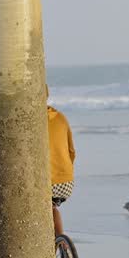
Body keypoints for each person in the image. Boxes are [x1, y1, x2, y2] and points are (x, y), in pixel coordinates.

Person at [46, 85, 76, 237]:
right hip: (66, 182)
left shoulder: (29, 122)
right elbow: (72, 151)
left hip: (48, 182)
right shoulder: (60, 117)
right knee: (51, 207)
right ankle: (61, 242)